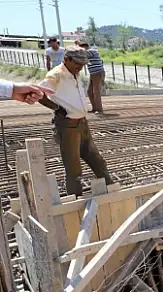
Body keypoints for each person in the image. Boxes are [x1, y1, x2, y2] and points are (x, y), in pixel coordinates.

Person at [38, 46, 113, 197]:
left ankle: (111, 191)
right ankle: (76, 198)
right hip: (68, 127)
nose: (80, 67)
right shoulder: (56, 75)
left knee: (98, 162)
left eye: (83, 65)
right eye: (77, 64)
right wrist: (57, 108)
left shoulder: (74, 73)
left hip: (82, 125)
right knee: (74, 169)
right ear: (66, 60)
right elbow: (40, 94)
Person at [79, 42, 105, 114]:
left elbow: (84, 54)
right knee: (89, 91)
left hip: (98, 72)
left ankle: (99, 109)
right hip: (93, 73)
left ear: (85, 47)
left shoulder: (92, 51)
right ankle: (94, 108)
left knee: (96, 91)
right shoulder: (87, 54)